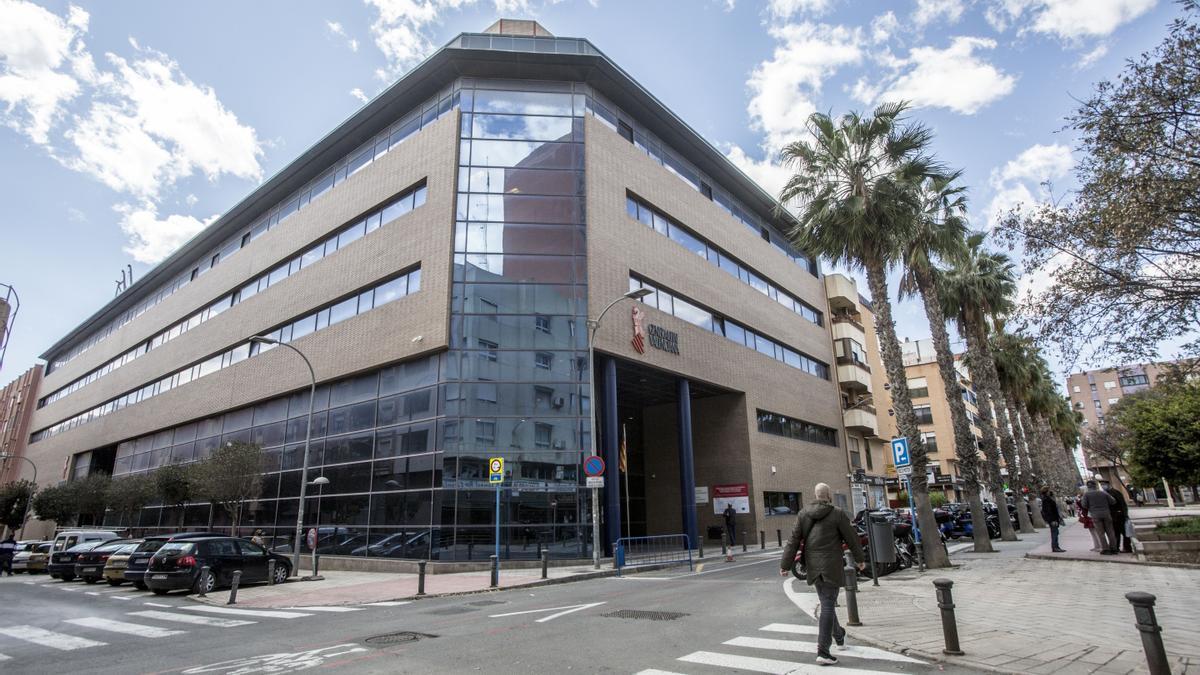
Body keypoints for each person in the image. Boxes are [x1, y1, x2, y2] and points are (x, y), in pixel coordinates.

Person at [780, 483, 865, 666]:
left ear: (816, 495)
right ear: (829, 496)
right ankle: (823, 651)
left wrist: (785, 564)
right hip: (831, 566)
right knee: (827, 604)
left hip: (812, 567)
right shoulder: (837, 513)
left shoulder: (803, 513)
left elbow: (793, 540)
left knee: (826, 602)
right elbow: (851, 537)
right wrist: (860, 558)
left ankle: (839, 636)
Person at [1080, 480, 1118, 554]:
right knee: (1110, 532)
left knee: (1101, 533)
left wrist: (1091, 506)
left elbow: (1084, 505)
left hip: (1095, 515)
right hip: (1106, 513)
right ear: (1096, 485)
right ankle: (1114, 548)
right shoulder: (1103, 492)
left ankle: (1105, 549)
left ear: (1088, 486)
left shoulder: (1086, 494)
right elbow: (1113, 501)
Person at [1103, 482, 1132, 553]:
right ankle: (1117, 547)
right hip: (1113, 516)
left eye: (1103, 485)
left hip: (1119, 515)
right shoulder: (1106, 493)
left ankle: (1127, 548)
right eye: (1101, 485)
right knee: (1116, 533)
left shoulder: (1115, 493)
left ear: (1109, 485)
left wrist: (1125, 515)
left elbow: (1123, 504)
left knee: (1124, 532)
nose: (1103, 486)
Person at [1040, 486, 1065, 552]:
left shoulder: (1048, 499)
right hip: (1052, 519)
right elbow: (1048, 511)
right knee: (1054, 533)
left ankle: (1056, 547)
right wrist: (1052, 520)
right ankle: (1055, 547)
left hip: (1054, 518)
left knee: (1056, 533)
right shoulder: (1046, 500)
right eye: (1049, 491)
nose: (1051, 492)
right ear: (1047, 491)